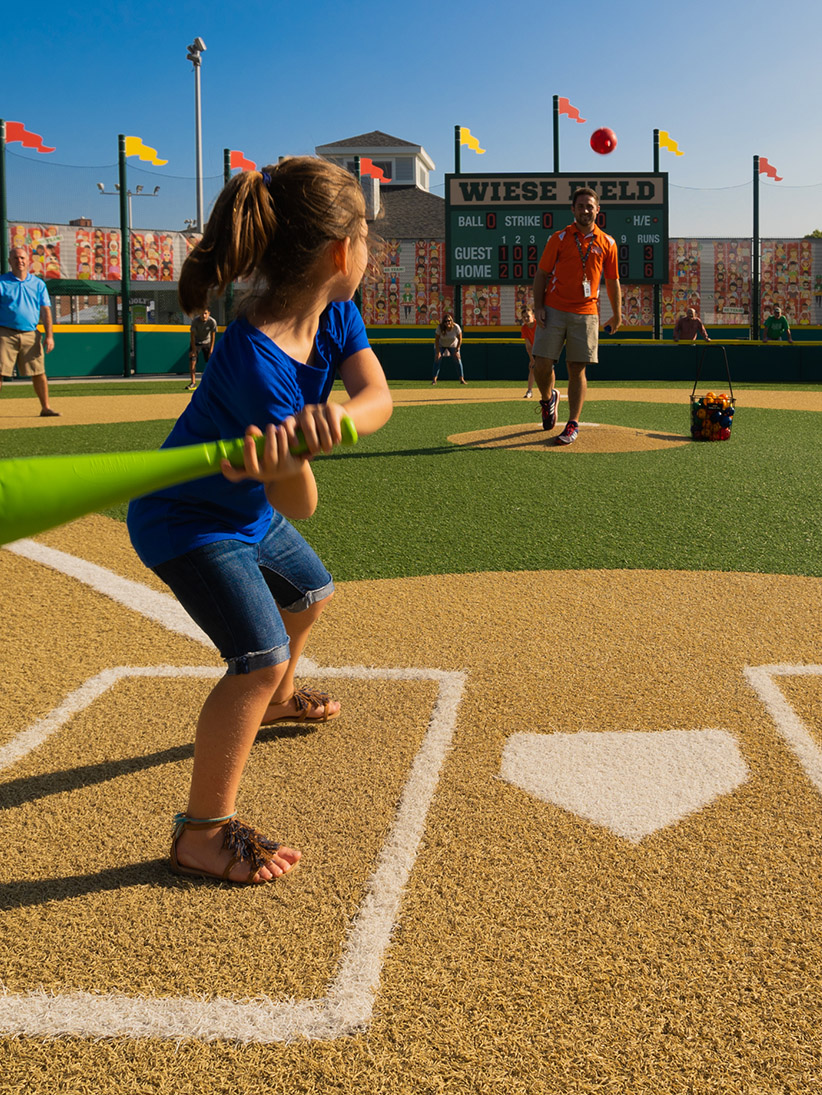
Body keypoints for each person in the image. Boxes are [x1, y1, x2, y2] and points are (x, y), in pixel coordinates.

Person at [126, 157, 393, 886]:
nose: (370, 249)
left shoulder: (336, 312)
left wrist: (335, 418)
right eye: (367, 235)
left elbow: (377, 396)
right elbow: (299, 500)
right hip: (188, 520)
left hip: (244, 507)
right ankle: (201, 831)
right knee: (259, 654)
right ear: (341, 252)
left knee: (310, 593)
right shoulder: (253, 357)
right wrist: (297, 448)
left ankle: (276, 705)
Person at [532, 188, 621, 445]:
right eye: (580, 206)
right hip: (554, 309)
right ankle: (549, 399)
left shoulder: (608, 242)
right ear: (573, 209)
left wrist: (617, 314)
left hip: (586, 313)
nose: (585, 210)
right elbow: (541, 274)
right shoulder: (558, 238)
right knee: (541, 364)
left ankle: (572, 423)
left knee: (576, 368)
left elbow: (613, 281)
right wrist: (538, 306)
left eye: (589, 206)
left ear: (597, 210)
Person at [0, 247, 60, 417]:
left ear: (28, 260)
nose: (19, 261)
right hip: (5, 333)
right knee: (0, 372)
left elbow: (46, 311)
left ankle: (46, 407)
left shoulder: (38, 284)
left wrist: (49, 336)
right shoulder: (2, 282)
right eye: (16, 258)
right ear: (10, 261)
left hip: (31, 334)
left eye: (22, 258)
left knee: (39, 372)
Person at [432, 312, 466, 384]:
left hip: (453, 344)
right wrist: (438, 352)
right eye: (445, 321)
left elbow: (460, 339)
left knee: (457, 360)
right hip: (441, 344)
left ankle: (461, 379)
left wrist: (457, 350)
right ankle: (434, 380)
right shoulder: (440, 328)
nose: (447, 322)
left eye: (449, 321)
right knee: (437, 360)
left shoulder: (456, 327)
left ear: (451, 321)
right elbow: (437, 340)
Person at [188, 307, 218, 389]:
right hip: (196, 342)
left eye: (205, 313)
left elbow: (213, 336)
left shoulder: (212, 322)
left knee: (212, 363)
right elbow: (192, 336)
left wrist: (211, 349)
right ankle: (193, 383)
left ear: (209, 313)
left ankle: (212, 382)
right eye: (201, 313)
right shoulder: (195, 321)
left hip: (207, 342)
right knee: (192, 361)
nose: (203, 315)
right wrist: (194, 350)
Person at [520, 306, 536, 398]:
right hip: (534, 349)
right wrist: (532, 359)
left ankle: (551, 391)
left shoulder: (539, 325)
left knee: (549, 369)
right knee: (532, 368)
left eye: (528, 316)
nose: (526, 318)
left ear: (533, 316)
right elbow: (528, 346)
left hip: (544, 348)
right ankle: (529, 391)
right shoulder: (524, 328)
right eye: (524, 317)